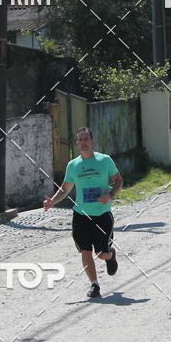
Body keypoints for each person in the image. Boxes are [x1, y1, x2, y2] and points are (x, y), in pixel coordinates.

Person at [43, 127, 123, 298]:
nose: (83, 142)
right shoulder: (73, 165)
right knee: (85, 250)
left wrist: (110, 194)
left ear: (92, 141)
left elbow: (118, 180)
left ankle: (110, 255)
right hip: (81, 215)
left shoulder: (105, 160)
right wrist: (52, 201)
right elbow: (64, 190)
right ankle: (94, 285)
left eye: (86, 139)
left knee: (101, 253)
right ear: (77, 144)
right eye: (80, 140)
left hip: (102, 215)